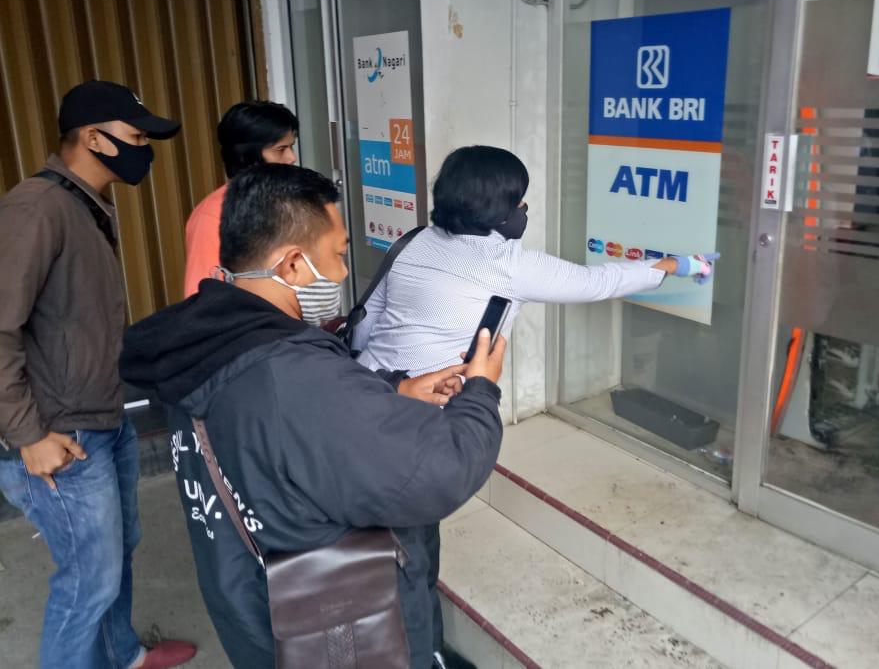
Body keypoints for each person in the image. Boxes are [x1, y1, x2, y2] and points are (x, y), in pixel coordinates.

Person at [120, 163, 506, 669]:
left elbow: (279, 430)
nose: (345, 272)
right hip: (338, 633)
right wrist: (480, 392)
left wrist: (392, 390)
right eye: (340, 254)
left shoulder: (200, 342)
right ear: (293, 265)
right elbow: (438, 471)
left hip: (252, 609)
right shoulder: (293, 378)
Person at [352, 145, 717, 668]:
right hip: (419, 423)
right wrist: (674, 265)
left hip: (369, 398)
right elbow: (599, 282)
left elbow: (370, 321)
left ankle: (421, 643)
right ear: (499, 210)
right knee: (405, 554)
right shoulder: (506, 264)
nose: (525, 211)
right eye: (520, 202)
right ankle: (417, 654)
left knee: (399, 544)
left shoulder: (414, 241)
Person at [0, 80, 197, 669]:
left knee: (116, 557)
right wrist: (27, 435)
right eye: (134, 136)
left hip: (101, 419)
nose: (143, 149)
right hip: (58, 435)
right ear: (93, 138)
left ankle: (124, 656)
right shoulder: (37, 209)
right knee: (87, 583)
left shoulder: (82, 205)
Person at [183, 101, 304, 299]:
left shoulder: (289, 203)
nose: (292, 157)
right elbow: (203, 300)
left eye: (291, 146)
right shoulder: (213, 215)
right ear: (247, 156)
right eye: (281, 149)